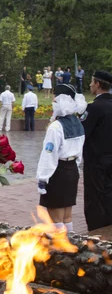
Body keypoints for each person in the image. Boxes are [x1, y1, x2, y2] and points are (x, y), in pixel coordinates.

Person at [36, 84, 86, 232]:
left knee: (55, 217)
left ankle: (60, 249)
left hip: (57, 172)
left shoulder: (56, 126)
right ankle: (72, 244)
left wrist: (43, 178)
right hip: (72, 171)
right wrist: (75, 168)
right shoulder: (78, 123)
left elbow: (49, 154)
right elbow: (80, 150)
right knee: (67, 215)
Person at [81, 70, 112, 231]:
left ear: (98, 84)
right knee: (109, 193)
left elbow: (83, 132)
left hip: (96, 161)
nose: (90, 85)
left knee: (94, 197)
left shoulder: (94, 108)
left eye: (92, 82)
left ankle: (96, 230)